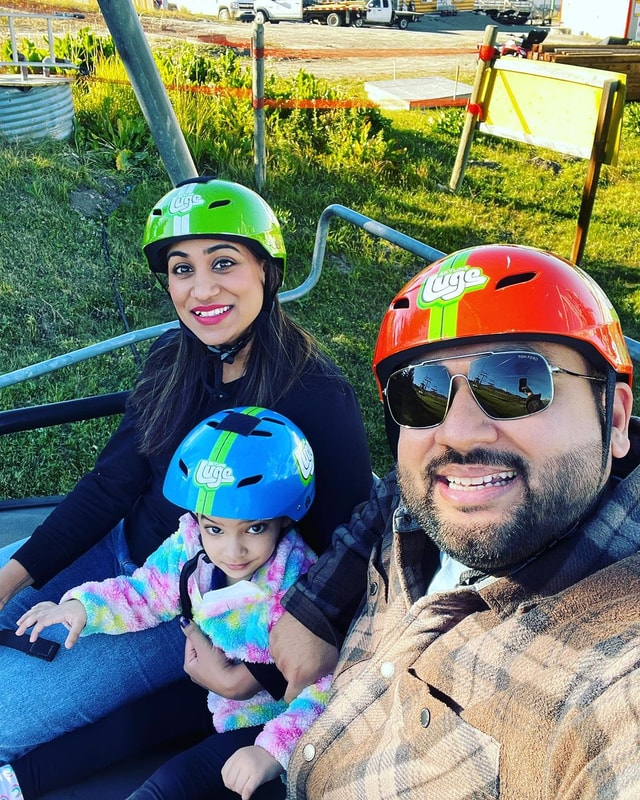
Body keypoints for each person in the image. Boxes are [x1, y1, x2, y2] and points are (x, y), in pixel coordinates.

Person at [0, 178, 372, 789]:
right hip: (122, 556)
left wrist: (258, 677)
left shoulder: (316, 397)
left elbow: (348, 559)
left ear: (265, 269)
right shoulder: (175, 359)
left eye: (222, 263)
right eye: (181, 269)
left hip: (186, 608)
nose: (201, 290)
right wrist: (14, 577)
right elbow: (109, 486)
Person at [275, 243, 640, 798]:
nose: (458, 433)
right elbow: (392, 494)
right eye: (423, 394)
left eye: (518, 383)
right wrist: (314, 608)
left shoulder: (616, 678)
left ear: (613, 418)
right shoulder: (438, 500)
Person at [10, 407, 331, 800]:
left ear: (285, 519)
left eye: (255, 528)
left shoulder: (299, 587)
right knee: (126, 725)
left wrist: (272, 752)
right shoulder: (190, 550)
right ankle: (20, 780)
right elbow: (143, 593)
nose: (232, 550)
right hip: (207, 692)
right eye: (215, 528)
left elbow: (324, 687)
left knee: (173, 782)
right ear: (198, 520)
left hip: (265, 721)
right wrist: (83, 606)